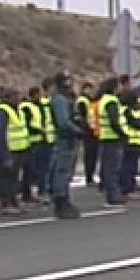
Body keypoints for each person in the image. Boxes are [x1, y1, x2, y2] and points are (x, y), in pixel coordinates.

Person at [47, 75, 84, 220]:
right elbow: (63, 122)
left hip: (69, 140)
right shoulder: (60, 100)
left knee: (67, 171)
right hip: (65, 140)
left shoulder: (66, 99)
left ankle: (64, 200)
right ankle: (61, 202)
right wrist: (78, 130)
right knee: (62, 171)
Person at [0, 88, 31, 214]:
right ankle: (6, 204)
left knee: (14, 178)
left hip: (20, 149)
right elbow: (0, 135)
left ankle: (14, 201)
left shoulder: (17, 110)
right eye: (16, 96)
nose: (19, 99)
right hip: (9, 150)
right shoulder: (3, 111)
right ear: (9, 97)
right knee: (6, 177)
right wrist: (5, 155)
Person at [96, 78, 127, 206]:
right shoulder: (111, 101)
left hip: (106, 137)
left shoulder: (103, 100)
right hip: (112, 138)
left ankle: (113, 194)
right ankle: (113, 196)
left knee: (109, 168)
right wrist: (122, 134)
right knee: (112, 169)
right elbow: (114, 121)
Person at [18, 87, 48, 202]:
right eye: (39, 94)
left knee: (34, 169)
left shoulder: (38, 106)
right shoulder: (27, 107)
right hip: (29, 141)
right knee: (29, 169)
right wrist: (38, 130)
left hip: (38, 140)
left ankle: (30, 193)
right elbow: (27, 125)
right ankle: (26, 194)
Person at [120, 82, 140, 199]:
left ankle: (130, 187)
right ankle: (127, 189)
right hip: (130, 140)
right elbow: (135, 123)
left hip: (136, 141)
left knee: (132, 166)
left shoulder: (134, 110)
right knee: (128, 166)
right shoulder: (127, 110)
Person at [75, 81, 99, 187]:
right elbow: (82, 117)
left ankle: (90, 176)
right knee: (89, 155)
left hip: (92, 130)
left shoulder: (89, 100)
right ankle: (89, 176)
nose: (91, 91)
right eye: (89, 89)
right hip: (87, 131)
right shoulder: (82, 100)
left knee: (93, 155)